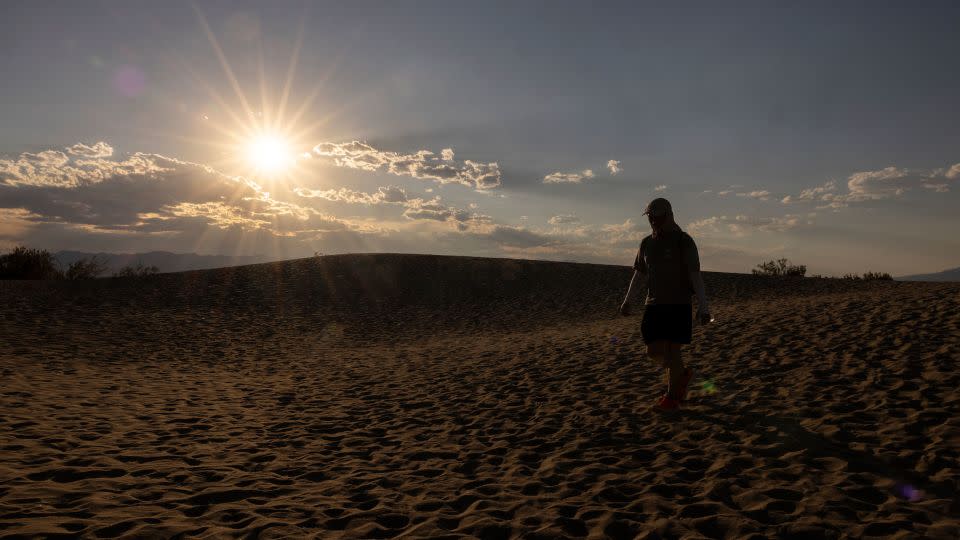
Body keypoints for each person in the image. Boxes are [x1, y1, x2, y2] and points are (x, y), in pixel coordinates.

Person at [620, 197, 711, 411]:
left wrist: (704, 306)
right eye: (650, 216)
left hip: (679, 304)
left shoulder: (684, 241)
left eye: (657, 216)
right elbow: (639, 274)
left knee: (673, 351)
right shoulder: (646, 243)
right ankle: (681, 377)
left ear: (669, 215)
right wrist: (627, 300)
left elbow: (695, 275)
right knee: (652, 351)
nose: (652, 220)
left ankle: (671, 398)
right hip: (653, 304)